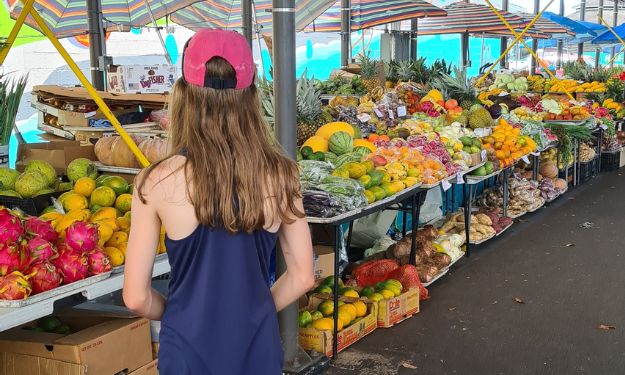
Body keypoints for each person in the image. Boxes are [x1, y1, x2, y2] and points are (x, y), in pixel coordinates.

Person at [122, 28, 315, 375]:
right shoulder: (283, 175)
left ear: (183, 94)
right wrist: (253, 311)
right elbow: (302, 276)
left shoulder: (155, 182)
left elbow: (135, 298)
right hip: (257, 348)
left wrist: (177, 312)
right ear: (252, 97)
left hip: (186, 351)